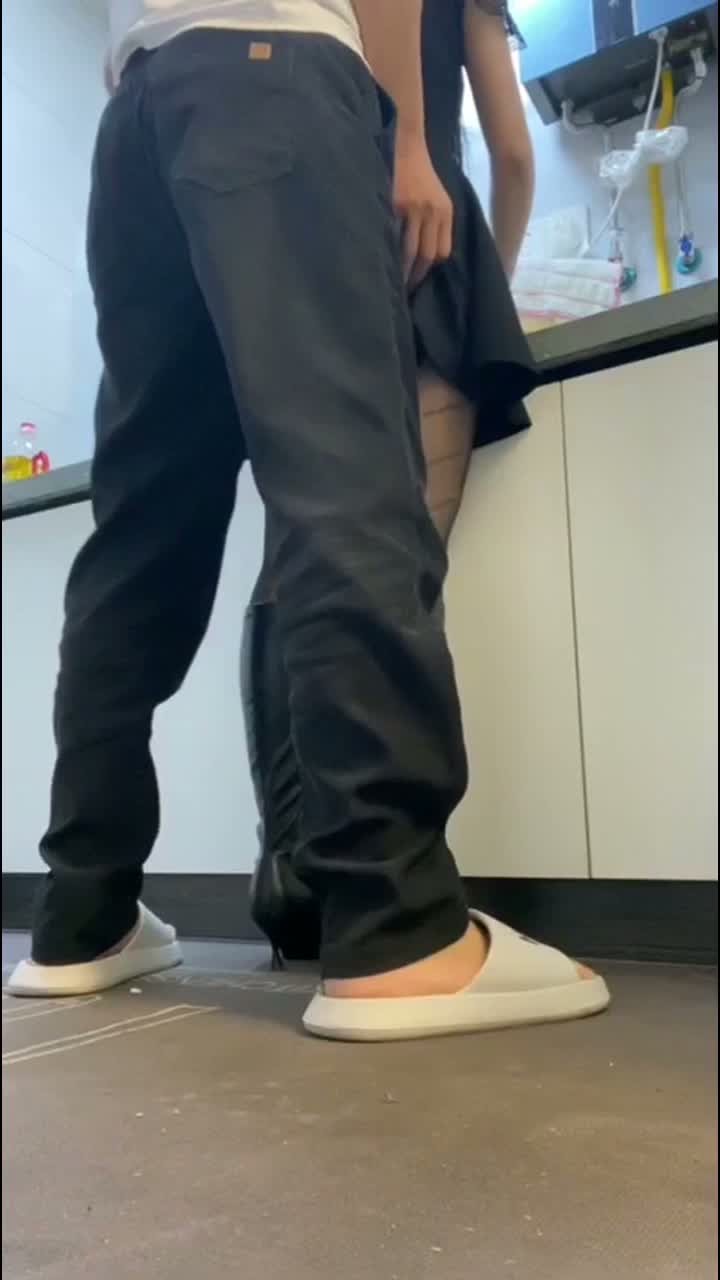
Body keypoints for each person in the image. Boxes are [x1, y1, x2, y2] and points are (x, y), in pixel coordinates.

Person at [9, 0, 609, 1041]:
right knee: (349, 488)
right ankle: (397, 926)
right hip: (279, 73)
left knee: (140, 537)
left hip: (140, 110)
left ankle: (81, 917)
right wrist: (406, 136)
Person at [244, 1, 536, 961]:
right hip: (427, 233)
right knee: (395, 568)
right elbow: (514, 153)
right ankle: (383, 886)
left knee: (300, 552)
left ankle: (292, 865)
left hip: (303, 224)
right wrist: (490, 286)